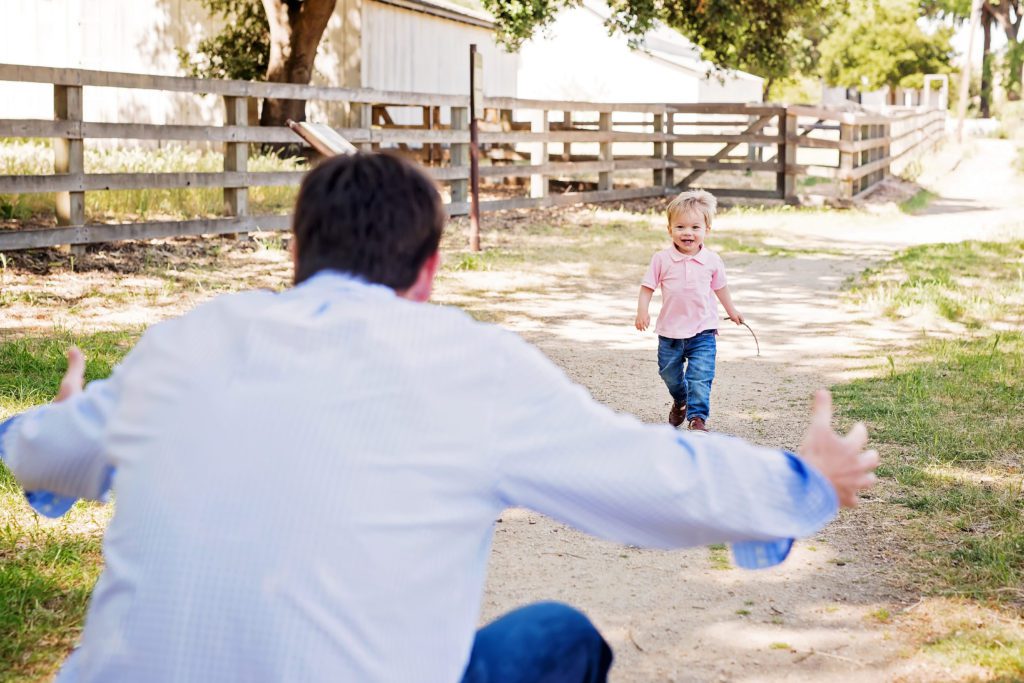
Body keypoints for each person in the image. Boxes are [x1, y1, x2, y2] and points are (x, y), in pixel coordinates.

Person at [0, 153, 878, 683]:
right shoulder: (470, 364)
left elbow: (35, 452)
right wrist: (800, 483)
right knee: (561, 638)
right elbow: (648, 474)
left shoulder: (184, 342)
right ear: (429, 270)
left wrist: (69, 417)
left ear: (297, 251)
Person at [634, 189, 742, 433]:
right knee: (669, 374)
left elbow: (720, 288)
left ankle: (697, 418)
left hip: (703, 331)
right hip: (670, 332)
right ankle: (681, 400)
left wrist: (732, 311)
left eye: (695, 227)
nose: (688, 233)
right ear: (669, 229)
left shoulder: (712, 260)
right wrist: (642, 311)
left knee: (700, 377)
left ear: (707, 230)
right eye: (680, 227)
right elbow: (647, 287)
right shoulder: (661, 259)